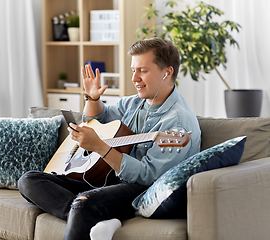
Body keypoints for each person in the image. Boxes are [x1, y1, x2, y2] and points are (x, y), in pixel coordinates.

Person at [18, 38, 201, 240]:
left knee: (85, 203)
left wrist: (101, 148)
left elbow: (149, 176)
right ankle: (96, 218)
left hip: (141, 189)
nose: (134, 78)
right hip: (109, 179)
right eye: (133, 70)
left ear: (166, 72)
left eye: (142, 70)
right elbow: (98, 120)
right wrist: (93, 98)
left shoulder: (178, 123)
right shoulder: (134, 103)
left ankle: (88, 212)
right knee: (28, 180)